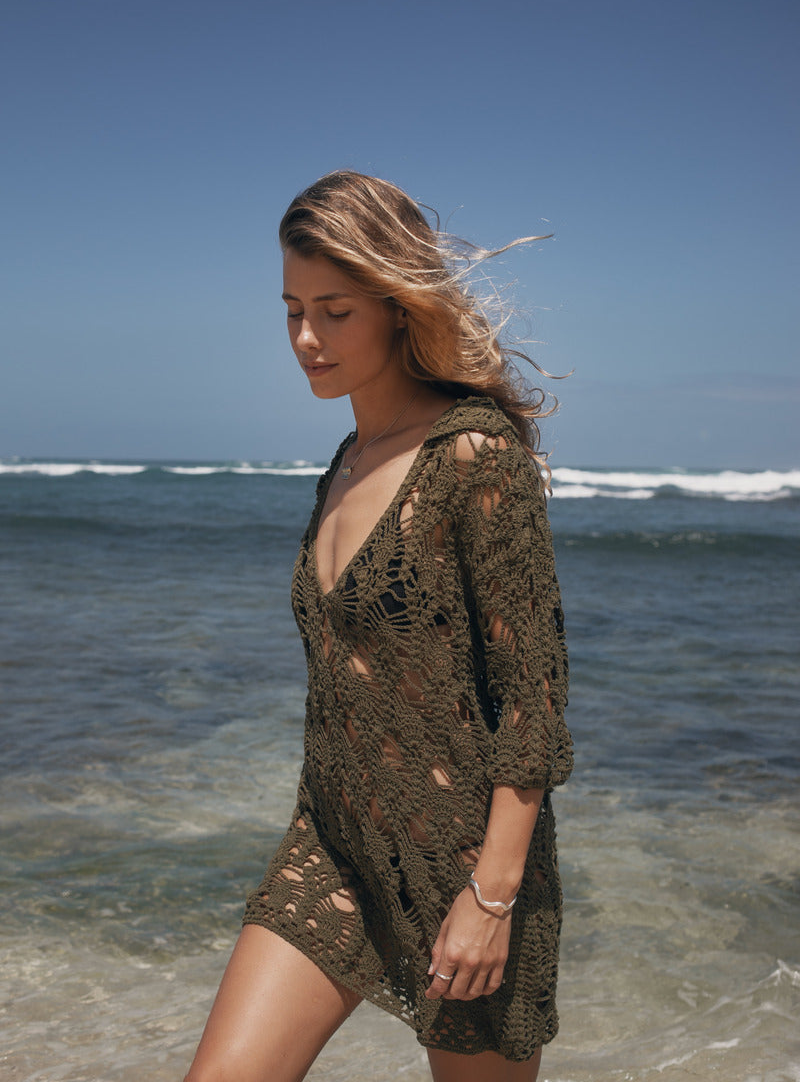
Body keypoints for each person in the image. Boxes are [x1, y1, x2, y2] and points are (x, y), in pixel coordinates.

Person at [185, 171, 573, 1082]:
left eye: (335, 311)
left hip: (461, 868)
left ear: (398, 307)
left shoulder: (476, 456)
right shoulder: (348, 460)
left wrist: (492, 894)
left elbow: (533, 703)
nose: (306, 339)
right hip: (332, 845)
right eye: (290, 311)